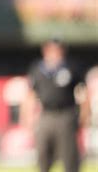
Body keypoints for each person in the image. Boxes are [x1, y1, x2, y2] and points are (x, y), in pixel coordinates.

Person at [27, 39, 89, 172]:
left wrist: (85, 113)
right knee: (43, 154)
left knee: (69, 156)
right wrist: (28, 116)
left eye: (57, 49)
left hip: (66, 115)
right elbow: (31, 94)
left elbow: (82, 91)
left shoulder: (71, 67)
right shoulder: (38, 69)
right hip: (46, 115)